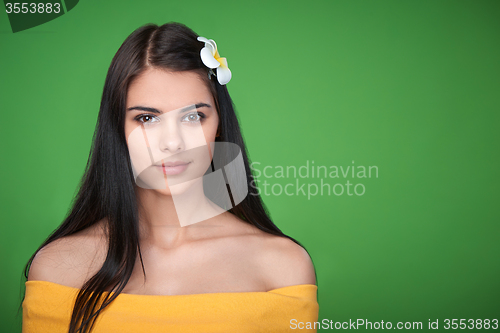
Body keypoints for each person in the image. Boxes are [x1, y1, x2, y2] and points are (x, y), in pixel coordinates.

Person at [21, 22, 319, 333]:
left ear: (218, 124)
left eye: (193, 116)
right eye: (147, 118)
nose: (172, 142)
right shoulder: (56, 268)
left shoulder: (282, 266)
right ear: (118, 129)